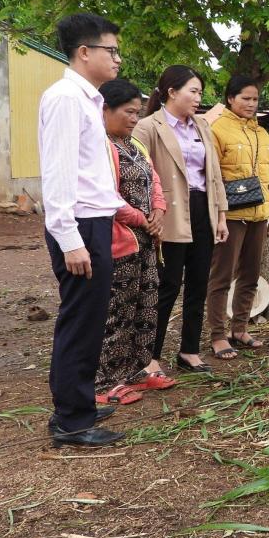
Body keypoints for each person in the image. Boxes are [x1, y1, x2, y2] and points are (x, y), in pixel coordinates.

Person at [38, 13, 125, 447]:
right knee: (80, 320)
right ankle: (72, 420)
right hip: (78, 225)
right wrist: (70, 239)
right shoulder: (65, 99)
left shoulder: (86, 99)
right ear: (84, 52)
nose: (118, 59)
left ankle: (79, 403)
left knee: (90, 319)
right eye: (111, 50)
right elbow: (57, 175)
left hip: (93, 220)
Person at [134, 66, 229, 373]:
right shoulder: (149, 127)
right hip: (168, 213)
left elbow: (213, 175)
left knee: (199, 282)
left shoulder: (201, 126)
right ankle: (150, 356)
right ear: (171, 92)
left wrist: (222, 216)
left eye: (200, 92)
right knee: (167, 285)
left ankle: (189, 350)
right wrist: (149, 215)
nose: (198, 98)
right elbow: (139, 176)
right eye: (193, 91)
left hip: (203, 209)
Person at [94, 78, 178, 404]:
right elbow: (107, 197)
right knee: (118, 312)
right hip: (121, 242)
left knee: (145, 309)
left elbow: (154, 182)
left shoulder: (135, 146)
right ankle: (106, 381)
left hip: (147, 243)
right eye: (128, 112)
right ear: (105, 110)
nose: (134, 118)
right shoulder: (101, 147)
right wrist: (144, 220)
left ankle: (137, 370)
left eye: (137, 112)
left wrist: (159, 211)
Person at [206, 76, 269, 359]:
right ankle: (217, 334)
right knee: (222, 276)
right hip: (231, 215)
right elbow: (211, 175)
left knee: (250, 274)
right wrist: (219, 214)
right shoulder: (217, 129)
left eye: (255, 99)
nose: (251, 104)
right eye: (245, 98)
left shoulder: (262, 133)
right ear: (230, 98)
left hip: (259, 215)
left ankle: (239, 328)